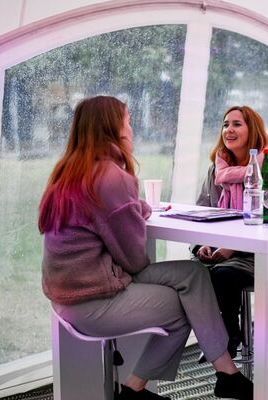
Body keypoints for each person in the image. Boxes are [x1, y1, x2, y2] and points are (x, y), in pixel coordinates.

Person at [39, 96, 252, 400]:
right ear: (112, 128)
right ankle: (135, 390)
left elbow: (109, 216)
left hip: (72, 292)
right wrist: (137, 212)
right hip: (92, 299)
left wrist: (134, 208)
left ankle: (226, 372)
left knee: (194, 275)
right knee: (187, 305)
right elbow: (135, 260)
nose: (132, 129)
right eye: (127, 122)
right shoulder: (111, 177)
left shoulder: (67, 173)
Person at [193, 105, 268, 360]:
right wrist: (203, 244)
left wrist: (232, 247)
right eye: (225, 125)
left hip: (255, 255)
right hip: (219, 250)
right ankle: (221, 339)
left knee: (221, 275)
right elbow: (201, 213)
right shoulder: (216, 171)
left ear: (252, 130)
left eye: (236, 124)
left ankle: (227, 339)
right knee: (191, 274)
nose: (229, 130)